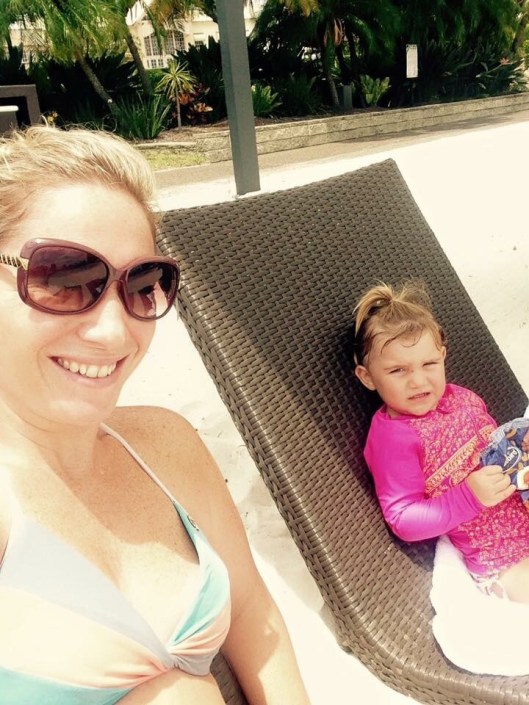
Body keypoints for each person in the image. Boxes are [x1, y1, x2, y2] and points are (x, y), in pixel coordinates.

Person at [0, 126, 310, 705]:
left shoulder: (165, 443)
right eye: (65, 279)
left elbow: (252, 612)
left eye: (143, 285)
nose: (115, 331)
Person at [353, 280, 529, 602]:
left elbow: (497, 446)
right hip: (503, 555)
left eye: (429, 364)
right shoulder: (393, 438)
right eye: (398, 370)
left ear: (443, 357)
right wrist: (469, 496)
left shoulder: (461, 397)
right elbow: (403, 518)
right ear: (368, 377)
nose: (418, 380)